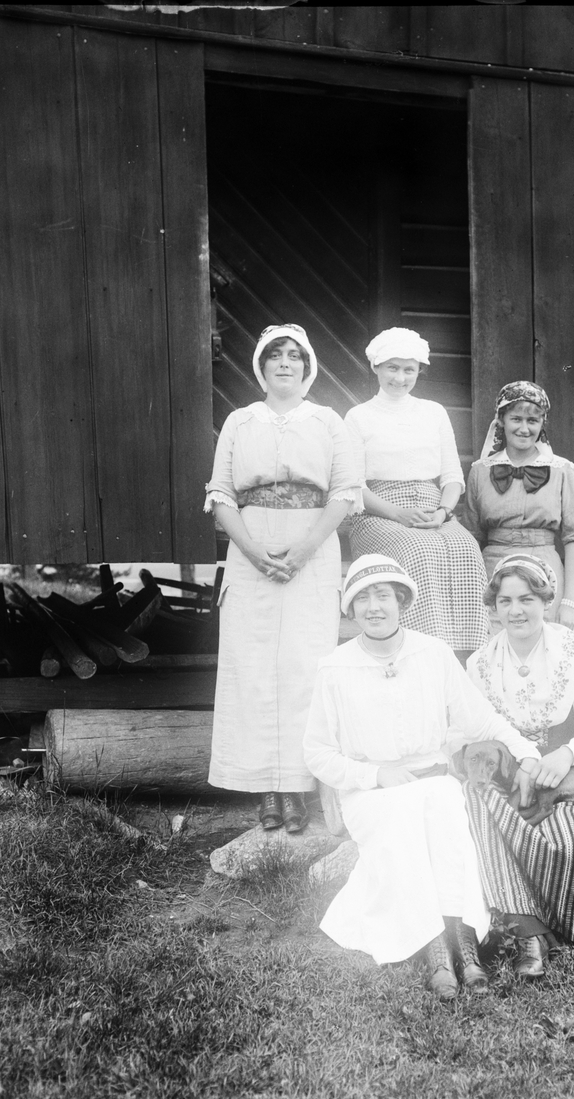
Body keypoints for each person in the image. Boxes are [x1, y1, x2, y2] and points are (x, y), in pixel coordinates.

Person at [303, 555, 541, 1000]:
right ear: (350, 609)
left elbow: (481, 721)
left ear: (402, 602)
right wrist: (375, 774)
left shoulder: (433, 653)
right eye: (362, 599)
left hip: (432, 782)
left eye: (383, 596)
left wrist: (527, 752)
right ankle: (436, 951)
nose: (374, 607)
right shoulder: (334, 668)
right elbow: (317, 753)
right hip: (370, 794)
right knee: (407, 817)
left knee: (447, 811)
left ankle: (463, 942)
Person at [205, 323, 360, 834]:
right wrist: (253, 552)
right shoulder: (240, 421)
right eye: (276, 355)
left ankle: (297, 785)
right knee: (250, 666)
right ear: (262, 365)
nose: (286, 363)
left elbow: (345, 492)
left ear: (308, 366)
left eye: (295, 355)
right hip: (250, 548)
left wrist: (304, 549)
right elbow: (221, 495)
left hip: (311, 550)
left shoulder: (328, 421)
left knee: (304, 667)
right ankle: (265, 788)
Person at [463, 554, 574, 978]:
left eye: (526, 599)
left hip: (568, 780)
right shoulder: (480, 665)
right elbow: (465, 732)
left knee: (566, 836)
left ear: (545, 601)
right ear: (494, 606)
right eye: (505, 601)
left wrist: (569, 753)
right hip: (513, 785)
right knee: (479, 802)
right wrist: (516, 760)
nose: (516, 611)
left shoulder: (573, 655)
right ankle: (529, 934)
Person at [344, 327, 489, 657]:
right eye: (392, 368)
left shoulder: (434, 411)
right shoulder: (358, 416)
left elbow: (452, 477)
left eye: (409, 370)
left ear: (419, 371)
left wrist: (443, 511)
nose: (400, 378)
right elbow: (354, 486)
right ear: (376, 367)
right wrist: (398, 514)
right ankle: (424, 652)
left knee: (466, 548)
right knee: (417, 549)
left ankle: (469, 655)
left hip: (433, 510)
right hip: (378, 514)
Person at [462, 381, 574, 628]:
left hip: (544, 570)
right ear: (501, 420)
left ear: (542, 424)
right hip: (492, 572)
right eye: (516, 419)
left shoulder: (563, 470)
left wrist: (569, 603)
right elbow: (471, 538)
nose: (524, 428)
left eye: (532, 420)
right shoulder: (480, 471)